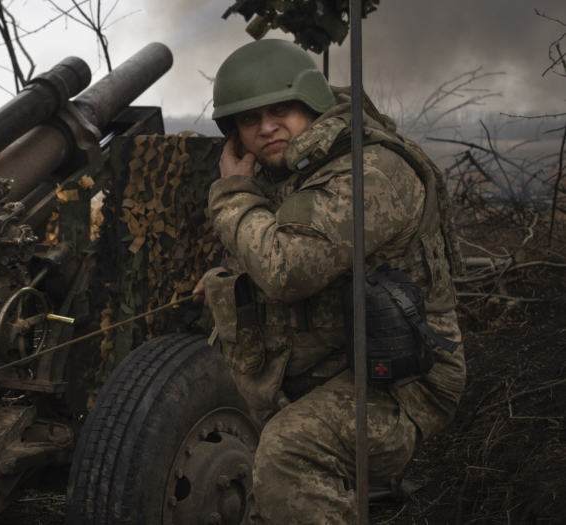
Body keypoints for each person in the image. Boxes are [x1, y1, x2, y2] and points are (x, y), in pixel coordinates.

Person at [191, 39, 467, 524]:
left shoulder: (370, 171)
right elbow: (291, 238)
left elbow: (287, 267)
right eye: (249, 119)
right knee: (273, 493)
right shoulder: (293, 168)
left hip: (407, 380)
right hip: (345, 360)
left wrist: (231, 195)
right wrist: (233, 274)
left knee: (288, 456)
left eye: (281, 109)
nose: (266, 127)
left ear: (313, 104)